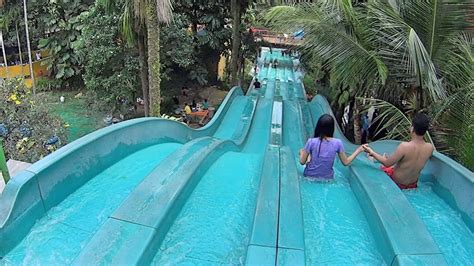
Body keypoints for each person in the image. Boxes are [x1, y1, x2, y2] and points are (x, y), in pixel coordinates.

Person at [363, 113, 434, 189]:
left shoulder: (405, 147)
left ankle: (372, 158)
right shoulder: (430, 148)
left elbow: (387, 163)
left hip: (396, 183)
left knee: (381, 165)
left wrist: (372, 152)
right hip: (413, 185)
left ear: (412, 129)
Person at [299, 114, 364, 181]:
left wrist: (301, 153)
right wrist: (359, 150)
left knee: (306, 156)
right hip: (327, 178)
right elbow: (345, 162)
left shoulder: (311, 141)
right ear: (332, 128)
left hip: (309, 177)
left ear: (318, 127)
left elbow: (302, 162)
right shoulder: (338, 143)